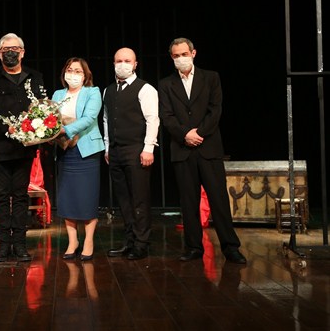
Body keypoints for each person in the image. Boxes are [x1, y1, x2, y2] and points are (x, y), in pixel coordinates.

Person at [157, 37, 246, 264]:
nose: (180, 59)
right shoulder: (166, 84)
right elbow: (166, 117)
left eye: (184, 54)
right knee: (188, 201)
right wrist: (185, 134)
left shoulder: (211, 77)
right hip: (182, 148)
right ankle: (194, 246)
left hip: (209, 147)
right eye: (176, 56)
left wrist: (199, 133)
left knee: (218, 199)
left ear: (193, 53)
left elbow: (215, 110)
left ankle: (230, 247)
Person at [0, 32, 44, 262]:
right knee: (2, 197)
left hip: (25, 148)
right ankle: (4, 245)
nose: (10, 52)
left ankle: (20, 244)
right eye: (6, 49)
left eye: (15, 48)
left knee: (20, 196)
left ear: (23, 52)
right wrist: (9, 128)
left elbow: (40, 110)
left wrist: (31, 130)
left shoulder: (34, 78)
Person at [103, 47, 159, 260]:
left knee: (139, 199)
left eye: (127, 60)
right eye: (118, 60)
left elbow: (152, 119)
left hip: (137, 149)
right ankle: (129, 241)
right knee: (124, 200)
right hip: (116, 151)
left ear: (135, 64)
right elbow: (107, 120)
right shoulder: (108, 90)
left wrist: (148, 148)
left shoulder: (145, 89)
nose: (122, 64)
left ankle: (142, 243)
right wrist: (108, 147)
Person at [51, 57, 105, 261]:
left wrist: (65, 129)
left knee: (87, 197)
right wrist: (48, 133)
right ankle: (72, 241)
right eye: (70, 70)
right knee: (68, 197)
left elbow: (90, 118)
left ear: (85, 75)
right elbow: (50, 118)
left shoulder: (93, 92)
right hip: (65, 151)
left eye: (78, 71)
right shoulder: (58, 94)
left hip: (86, 150)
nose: (72, 74)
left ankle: (89, 241)